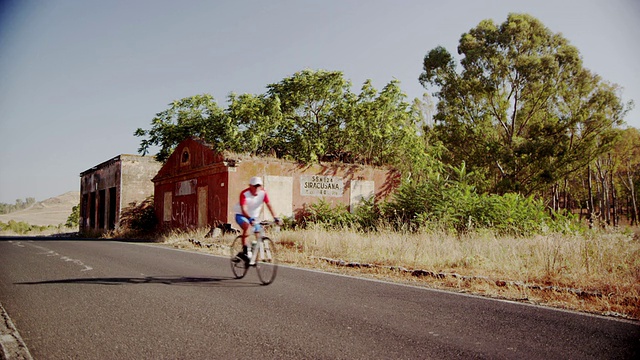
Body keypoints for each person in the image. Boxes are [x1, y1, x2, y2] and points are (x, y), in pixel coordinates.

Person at [233, 176, 280, 263]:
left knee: (258, 234)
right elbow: (244, 209)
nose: (256, 188)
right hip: (242, 215)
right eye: (254, 186)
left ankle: (256, 254)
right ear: (250, 186)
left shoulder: (263, 193)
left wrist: (276, 217)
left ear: (261, 186)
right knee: (247, 227)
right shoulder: (244, 194)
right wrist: (250, 218)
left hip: (254, 217)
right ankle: (245, 251)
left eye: (258, 186)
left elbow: (269, 205)